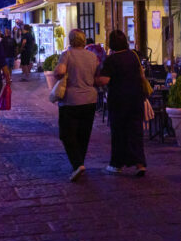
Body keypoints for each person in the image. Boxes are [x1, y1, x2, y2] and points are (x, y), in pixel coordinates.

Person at [95, 29, 147, 177]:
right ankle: (140, 164)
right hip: (136, 98)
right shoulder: (133, 55)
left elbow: (104, 80)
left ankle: (117, 163)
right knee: (136, 131)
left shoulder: (112, 60)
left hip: (119, 100)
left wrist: (96, 78)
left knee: (119, 132)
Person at [53, 30, 100, 181]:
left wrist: (58, 73)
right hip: (90, 100)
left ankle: (77, 164)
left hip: (71, 100)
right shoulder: (93, 56)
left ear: (71, 40)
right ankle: (79, 164)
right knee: (83, 134)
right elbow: (97, 76)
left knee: (66, 134)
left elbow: (59, 72)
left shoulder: (67, 54)